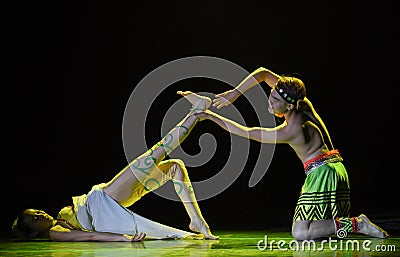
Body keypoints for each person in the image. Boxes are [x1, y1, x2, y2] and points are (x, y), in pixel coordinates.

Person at [196, 67, 389, 241]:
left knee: (301, 233)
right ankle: (350, 225)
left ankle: (358, 224)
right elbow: (263, 73)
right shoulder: (303, 104)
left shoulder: (289, 131)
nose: (270, 101)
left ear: (289, 106)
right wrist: (234, 94)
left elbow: (246, 132)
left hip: (322, 173)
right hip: (336, 169)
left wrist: (211, 116)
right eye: (271, 95)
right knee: (318, 230)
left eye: (275, 101)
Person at [12, 91, 219, 242]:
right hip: (105, 201)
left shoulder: (59, 218)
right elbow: (91, 236)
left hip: (107, 199)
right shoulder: (55, 232)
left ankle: (197, 221)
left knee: (175, 167)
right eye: (34, 220)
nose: (40, 215)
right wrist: (123, 239)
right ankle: (196, 111)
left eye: (36, 211)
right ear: (32, 232)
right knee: (156, 153)